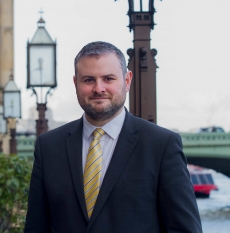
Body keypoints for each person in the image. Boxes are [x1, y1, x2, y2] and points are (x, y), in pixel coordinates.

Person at [24, 41, 202, 233]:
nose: (99, 88)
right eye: (89, 80)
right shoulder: (49, 147)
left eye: (108, 79)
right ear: (76, 83)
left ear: (127, 81)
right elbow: (36, 226)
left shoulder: (161, 146)